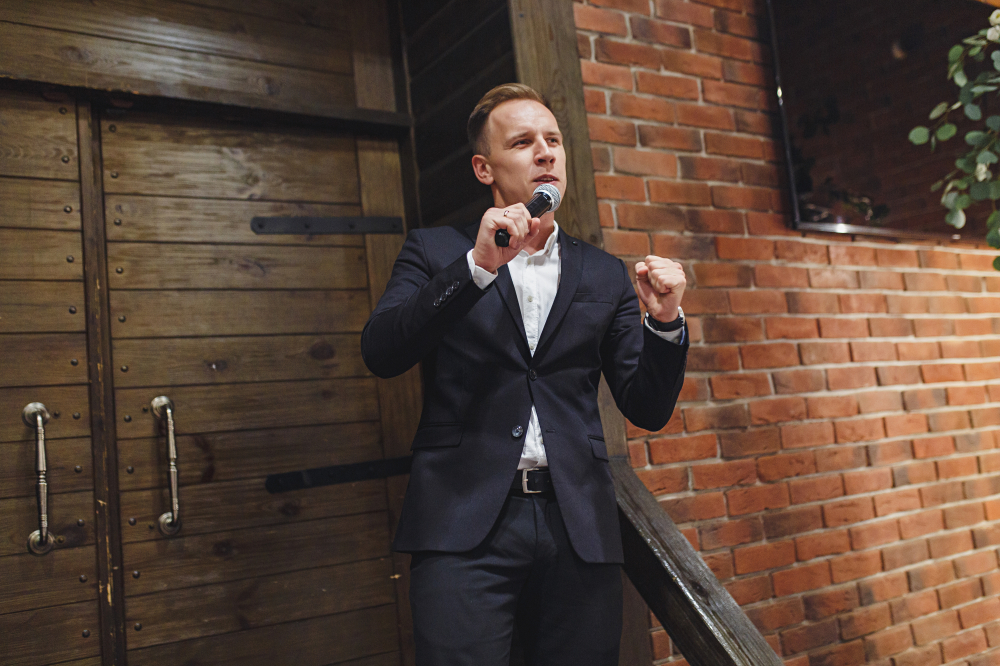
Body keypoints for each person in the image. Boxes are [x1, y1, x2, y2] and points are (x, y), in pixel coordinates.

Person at [361, 83, 688, 666]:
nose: (545, 152)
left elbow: (648, 406)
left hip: (578, 526)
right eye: (522, 142)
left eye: (553, 140)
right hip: (462, 525)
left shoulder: (604, 273)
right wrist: (477, 267)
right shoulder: (436, 251)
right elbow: (382, 352)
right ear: (484, 168)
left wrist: (664, 323)